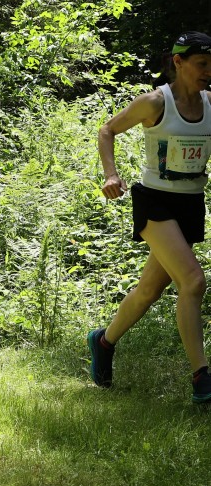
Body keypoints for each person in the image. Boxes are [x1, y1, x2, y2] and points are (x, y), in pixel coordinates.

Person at [87, 31, 211, 403]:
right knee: (192, 281)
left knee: (148, 292)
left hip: (190, 204)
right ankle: (202, 377)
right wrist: (111, 174)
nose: (208, 72)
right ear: (178, 62)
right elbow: (107, 129)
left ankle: (104, 341)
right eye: (202, 64)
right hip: (155, 203)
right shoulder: (156, 102)